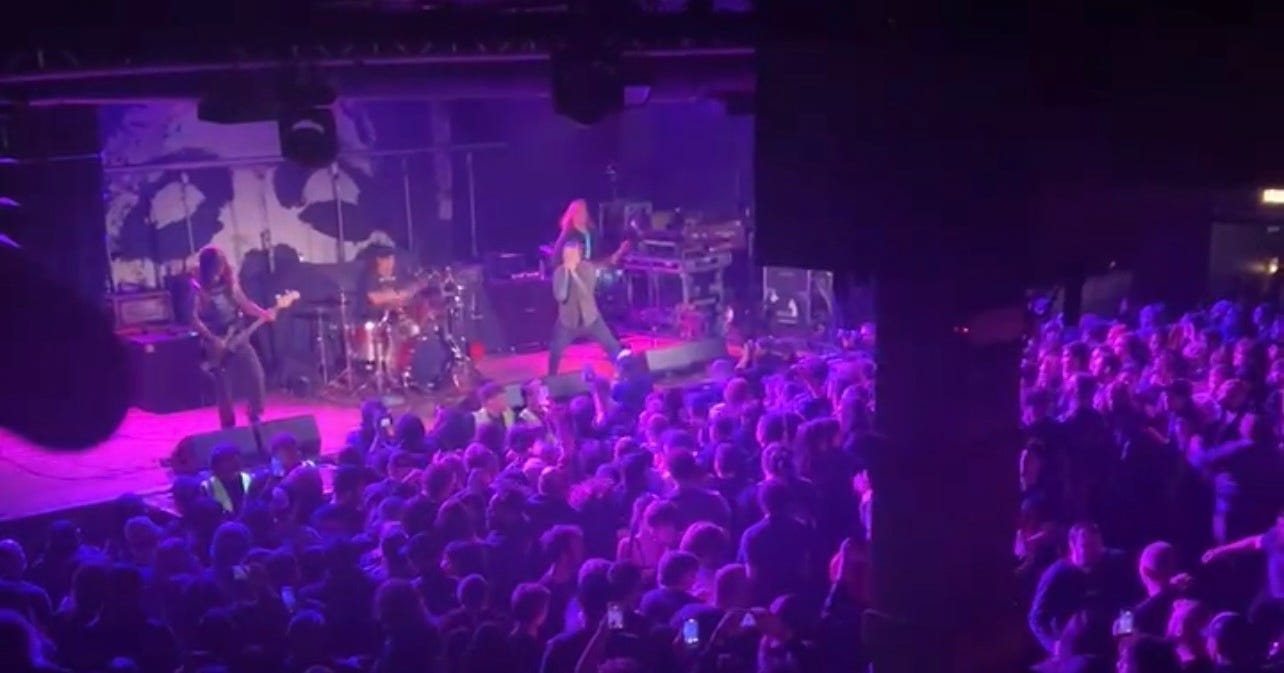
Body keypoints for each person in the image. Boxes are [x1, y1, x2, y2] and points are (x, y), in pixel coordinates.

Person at [189, 247, 276, 429]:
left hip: (237, 335)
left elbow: (244, 304)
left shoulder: (230, 282)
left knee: (256, 374)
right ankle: (228, 426)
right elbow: (193, 319)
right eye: (216, 267)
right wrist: (213, 339)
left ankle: (255, 414)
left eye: (221, 266)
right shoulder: (197, 288)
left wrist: (263, 313)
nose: (220, 271)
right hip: (215, 341)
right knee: (224, 388)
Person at [548, 238, 624, 376]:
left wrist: (574, 274)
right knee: (555, 350)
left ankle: (624, 373)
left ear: (579, 256)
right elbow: (561, 296)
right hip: (568, 323)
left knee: (613, 346)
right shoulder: (559, 273)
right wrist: (567, 274)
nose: (568, 258)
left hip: (591, 320)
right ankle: (551, 379)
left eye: (572, 255)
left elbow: (587, 292)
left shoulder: (588, 268)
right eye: (566, 254)